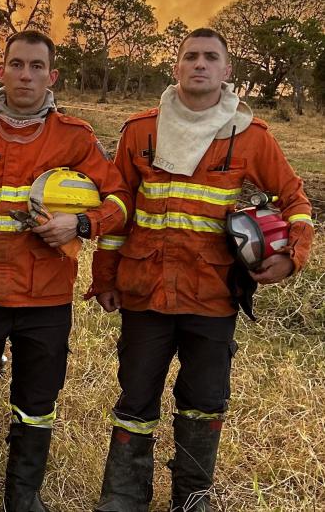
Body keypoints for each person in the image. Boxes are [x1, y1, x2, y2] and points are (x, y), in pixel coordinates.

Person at [89, 28, 314, 511]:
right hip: (143, 292)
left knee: (204, 402)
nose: (200, 64)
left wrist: (292, 255)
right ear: (175, 67)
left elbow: (296, 201)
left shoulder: (251, 137)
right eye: (190, 56)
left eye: (211, 57)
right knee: (135, 402)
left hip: (211, 296)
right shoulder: (139, 131)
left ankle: (191, 502)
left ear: (227, 71)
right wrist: (104, 278)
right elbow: (117, 207)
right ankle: (122, 500)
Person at [0, 30, 131, 512]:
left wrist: (79, 222)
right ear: (1, 71)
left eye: (36, 66)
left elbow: (118, 199)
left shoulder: (75, 139)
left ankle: (23, 498)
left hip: (46, 301)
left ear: (52, 76)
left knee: (37, 406)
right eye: (17, 64)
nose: (26, 75)